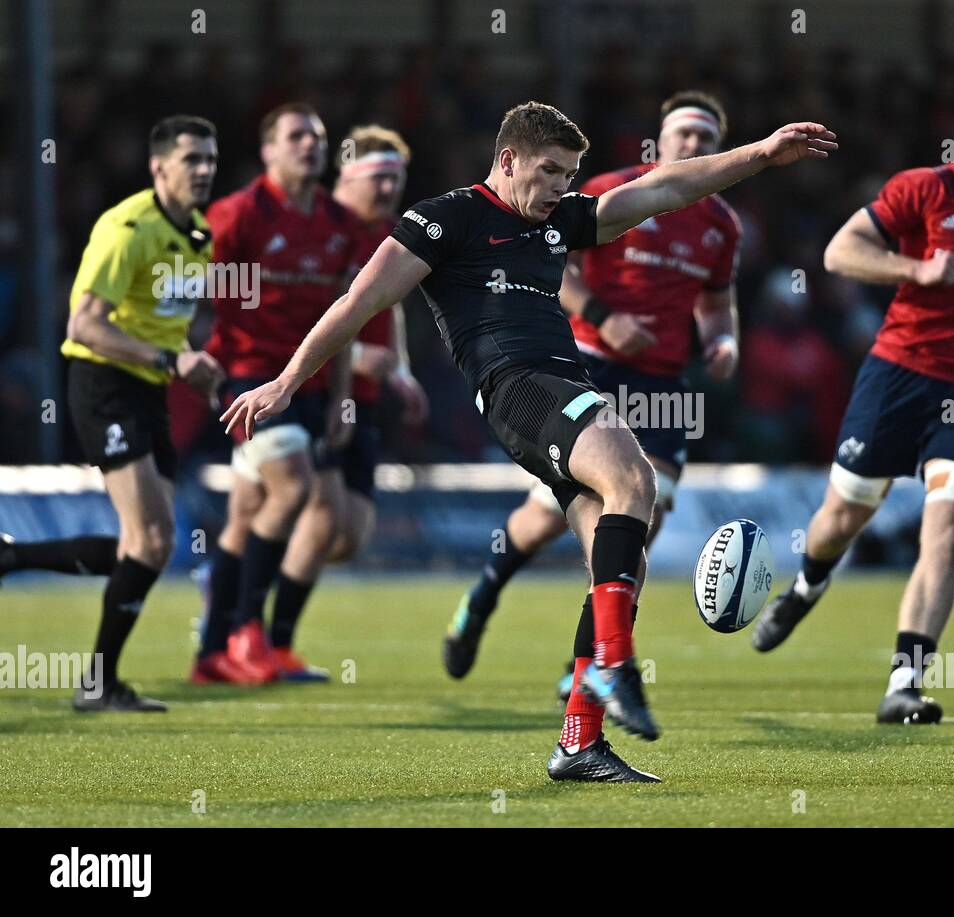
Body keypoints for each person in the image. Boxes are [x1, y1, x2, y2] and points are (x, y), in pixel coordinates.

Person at [221, 101, 835, 782]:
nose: (560, 189)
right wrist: (285, 380)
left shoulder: (561, 221)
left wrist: (759, 153)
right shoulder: (445, 218)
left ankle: (580, 741)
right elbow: (358, 302)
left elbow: (664, 188)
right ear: (507, 159)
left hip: (559, 386)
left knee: (613, 558)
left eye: (571, 176)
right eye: (549, 172)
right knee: (638, 483)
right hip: (518, 385)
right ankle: (615, 665)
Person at [751, 81, 954, 725]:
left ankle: (905, 682)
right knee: (843, 516)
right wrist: (916, 271)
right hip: (899, 376)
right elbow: (840, 252)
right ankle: (809, 583)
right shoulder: (927, 189)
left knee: (947, 532)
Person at [443, 91, 742, 694]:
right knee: (552, 518)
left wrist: (723, 340)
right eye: (684, 136)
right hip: (591, 365)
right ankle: (485, 592)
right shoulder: (609, 190)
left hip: (662, 383)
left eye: (705, 142)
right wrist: (604, 316)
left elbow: (716, 303)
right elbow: (556, 266)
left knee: (644, 511)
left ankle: (582, 665)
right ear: (661, 142)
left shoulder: (720, 227)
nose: (693, 148)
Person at [53, 115, 222, 711]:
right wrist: (168, 360)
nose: (203, 171)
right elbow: (84, 325)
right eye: (190, 160)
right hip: (104, 383)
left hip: (148, 388)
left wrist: (189, 363)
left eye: (209, 159)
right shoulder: (126, 228)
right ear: (158, 168)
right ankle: (97, 685)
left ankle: (14, 556)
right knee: (152, 538)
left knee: (145, 543)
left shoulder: (198, 235)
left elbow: (166, 322)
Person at [192, 103, 361, 685]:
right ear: (268, 151)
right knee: (294, 489)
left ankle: (211, 653)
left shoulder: (339, 223)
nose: (310, 146)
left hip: (307, 388)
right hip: (247, 381)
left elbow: (344, 318)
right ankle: (248, 634)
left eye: (317, 136)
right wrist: (195, 360)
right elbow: (193, 291)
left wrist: (341, 397)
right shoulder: (237, 215)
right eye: (295, 137)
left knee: (244, 516)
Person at [264, 124, 429, 680]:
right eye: (378, 178)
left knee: (350, 534)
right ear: (346, 176)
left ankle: (244, 584)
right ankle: (269, 640)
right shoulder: (320, 230)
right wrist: (352, 359)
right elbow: (290, 315)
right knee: (322, 514)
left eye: (396, 180)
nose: (388, 190)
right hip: (315, 392)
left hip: (362, 400)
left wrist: (400, 369)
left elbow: (396, 307)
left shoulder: (388, 233)